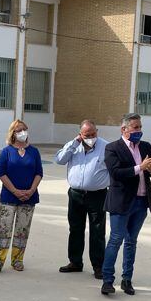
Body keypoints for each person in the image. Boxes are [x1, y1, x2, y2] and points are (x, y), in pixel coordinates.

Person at [101, 113, 151, 296]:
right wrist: (140, 168)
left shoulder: (145, 147)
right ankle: (107, 280)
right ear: (124, 129)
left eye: (140, 127)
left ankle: (127, 279)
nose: (139, 131)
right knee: (115, 240)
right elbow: (116, 173)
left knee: (131, 241)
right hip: (121, 203)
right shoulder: (113, 148)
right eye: (135, 127)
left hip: (141, 201)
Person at [55, 119, 109, 279]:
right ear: (80, 134)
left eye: (93, 134)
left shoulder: (106, 147)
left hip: (98, 195)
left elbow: (114, 169)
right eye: (87, 135)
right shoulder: (74, 146)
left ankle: (98, 266)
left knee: (97, 231)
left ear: (97, 131)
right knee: (75, 228)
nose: (91, 137)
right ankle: (75, 262)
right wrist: (74, 143)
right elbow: (59, 160)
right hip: (76, 194)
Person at [0, 120, 43, 272]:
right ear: (13, 133)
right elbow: (2, 173)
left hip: (29, 197)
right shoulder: (6, 151)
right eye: (19, 130)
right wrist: (15, 191)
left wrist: (31, 190)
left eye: (24, 129)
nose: (22, 132)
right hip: (9, 196)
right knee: (4, 228)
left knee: (22, 229)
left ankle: (17, 259)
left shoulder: (34, 151)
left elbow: (39, 173)